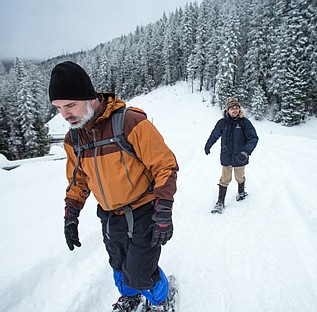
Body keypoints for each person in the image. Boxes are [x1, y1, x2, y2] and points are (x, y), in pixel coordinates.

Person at [48, 61, 178, 312]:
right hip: (109, 215)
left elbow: (165, 166)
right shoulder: (74, 138)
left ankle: (161, 298)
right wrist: (71, 214)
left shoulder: (130, 123)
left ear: (90, 98)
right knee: (119, 265)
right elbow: (78, 180)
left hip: (144, 211)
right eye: (59, 108)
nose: (65, 115)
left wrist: (164, 208)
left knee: (140, 272)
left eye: (70, 105)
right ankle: (131, 297)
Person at [204, 97, 258, 212]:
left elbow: (253, 138)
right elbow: (214, 135)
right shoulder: (222, 123)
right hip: (226, 155)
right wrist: (208, 145)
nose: (235, 110)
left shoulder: (244, 122)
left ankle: (241, 193)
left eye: (237, 108)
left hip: (240, 156)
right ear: (227, 110)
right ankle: (220, 202)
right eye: (232, 108)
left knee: (240, 177)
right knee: (225, 179)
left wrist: (246, 152)